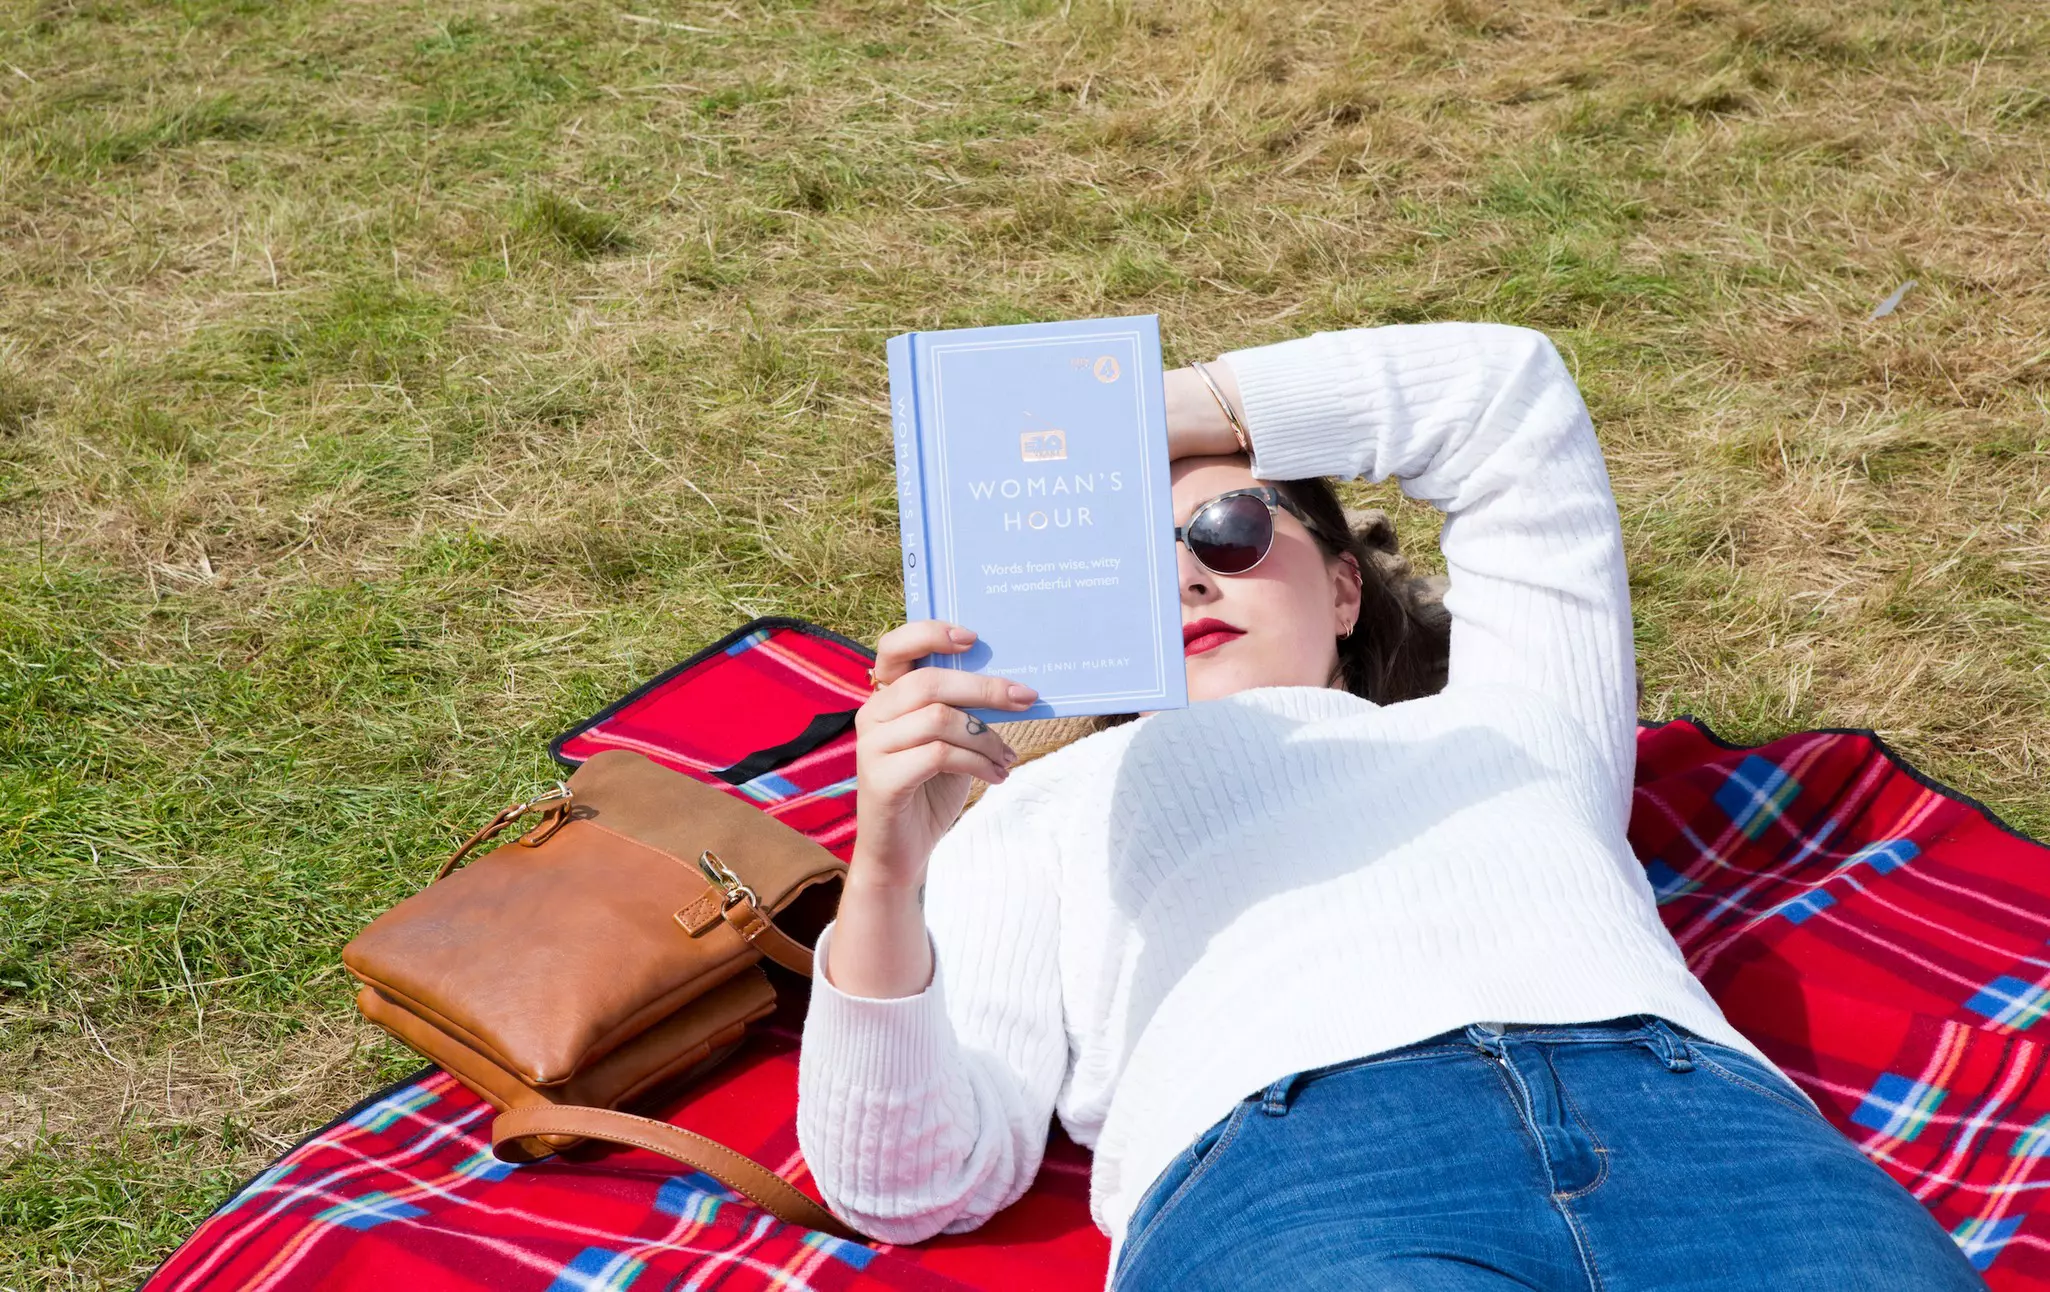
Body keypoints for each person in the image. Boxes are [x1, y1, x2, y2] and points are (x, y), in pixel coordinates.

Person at [796, 323, 1985, 1290]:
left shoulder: (1513, 719)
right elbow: (912, 1180)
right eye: (1118, 553)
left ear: (1347, 587)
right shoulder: (1032, 805)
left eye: (1231, 526)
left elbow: (1502, 394)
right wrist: (888, 871)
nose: (1186, 570)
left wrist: (1080, 430)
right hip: (1300, 1168)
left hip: (1705, 1139)